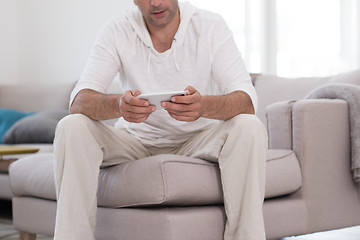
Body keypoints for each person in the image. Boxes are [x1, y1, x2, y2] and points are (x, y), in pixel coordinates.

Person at [53, 0, 268, 239]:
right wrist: (119, 105)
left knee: (249, 126)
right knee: (70, 126)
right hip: (134, 141)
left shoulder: (210, 26)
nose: (155, 2)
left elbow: (246, 100)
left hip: (196, 139)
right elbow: (79, 102)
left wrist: (204, 106)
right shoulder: (117, 29)